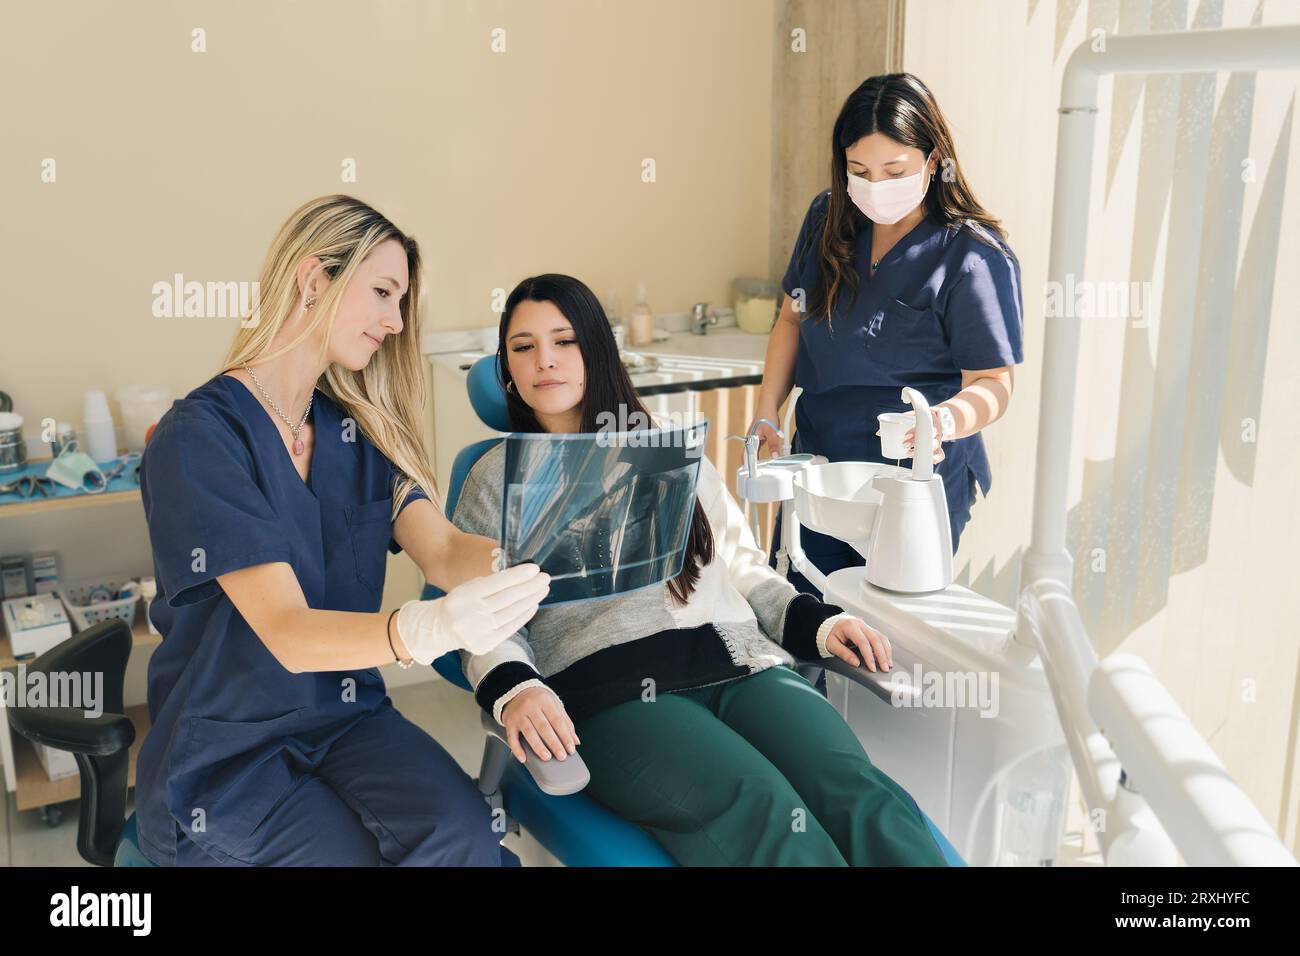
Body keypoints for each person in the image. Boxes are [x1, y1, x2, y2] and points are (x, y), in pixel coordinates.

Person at [452, 273, 953, 866]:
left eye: (564, 341)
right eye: (524, 347)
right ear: (506, 367)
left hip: (739, 664)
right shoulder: (495, 478)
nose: (546, 361)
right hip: (610, 693)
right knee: (766, 811)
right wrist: (516, 689)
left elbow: (740, 564)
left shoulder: (665, 445)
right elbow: (483, 620)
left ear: (596, 349)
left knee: (860, 794)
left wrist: (816, 624)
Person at [134, 195, 548, 866]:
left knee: (468, 836)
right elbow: (289, 634)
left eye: (402, 302)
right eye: (383, 292)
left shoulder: (354, 433)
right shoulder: (199, 438)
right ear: (312, 278)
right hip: (228, 755)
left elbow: (443, 551)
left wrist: (541, 553)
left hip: (344, 719)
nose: (395, 321)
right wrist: (425, 629)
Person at [751, 73, 1025, 592]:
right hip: (819, 469)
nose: (874, 187)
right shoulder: (828, 218)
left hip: (913, 485)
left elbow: (993, 382)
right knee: (802, 621)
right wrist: (767, 409)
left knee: (885, 641)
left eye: (894, 170)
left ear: (932, 158)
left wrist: (940, 422)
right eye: (859, 170)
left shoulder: (973, 255)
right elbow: (791, 318)